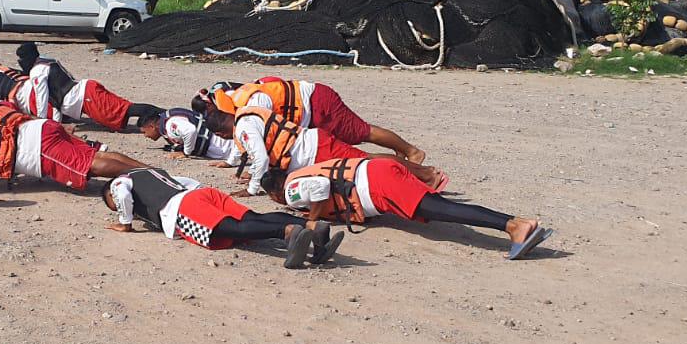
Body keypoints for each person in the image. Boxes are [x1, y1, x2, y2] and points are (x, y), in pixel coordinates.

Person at [260, 157, 552, 260]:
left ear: (275, 193)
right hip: (377, 171)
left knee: (442, 209)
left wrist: (311, 221)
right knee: (438, 208)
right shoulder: (301, 172)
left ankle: (515, 226)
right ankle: (514, 225)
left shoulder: (290, 189)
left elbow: (321, 190)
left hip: (375, 183)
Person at [104, 167, 342, 269]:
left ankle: (287, 233)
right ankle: (310, 225)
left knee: (232, 229)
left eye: (110, 204)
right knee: (253, 217)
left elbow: (122, 194)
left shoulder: (119, 182)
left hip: (180, 207)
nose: (115, 205)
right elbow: (185, 181)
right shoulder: (149, 171)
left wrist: (125, 223)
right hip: (199, 193)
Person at [0, 101, 147, 206]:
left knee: (88, 166)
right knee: (93, 156)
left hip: (36, 147)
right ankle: (149, 170)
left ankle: (147, 175)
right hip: (42, 128)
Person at [209, 106, 446, 197]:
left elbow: (260, 157)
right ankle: (421, 175)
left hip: (314, 151)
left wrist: (252, 190)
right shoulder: (247, 112)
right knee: (365, 162)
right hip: (312, 143)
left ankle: (427, 175)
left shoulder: (243, 129)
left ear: (221, 134)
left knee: (367, 162)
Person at [200, 77, 425, 162]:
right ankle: (399, 157)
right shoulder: (236, 98)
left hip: (317, 104)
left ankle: (411, 151)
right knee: (345, 151)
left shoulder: (254, 104)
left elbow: (270, 132)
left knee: (360, 132)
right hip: (309, 114)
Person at [13, 42, 162, 131]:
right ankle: (164, 114)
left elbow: (42, 101)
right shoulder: (47, 61)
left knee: (127, 109)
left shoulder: (37, 71)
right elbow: (55, 101)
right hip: (86, 91)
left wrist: (40, 125)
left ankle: (166, 115)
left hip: (86, 97)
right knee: (124, 110)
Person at [140, 107, 238, 162]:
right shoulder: (167, 118)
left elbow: (190, 130)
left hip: (221, 146)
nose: (145, 136)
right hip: (221, 143)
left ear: (151, 126)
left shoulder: (170, 125)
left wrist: (186, 153)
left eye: (144, 132)